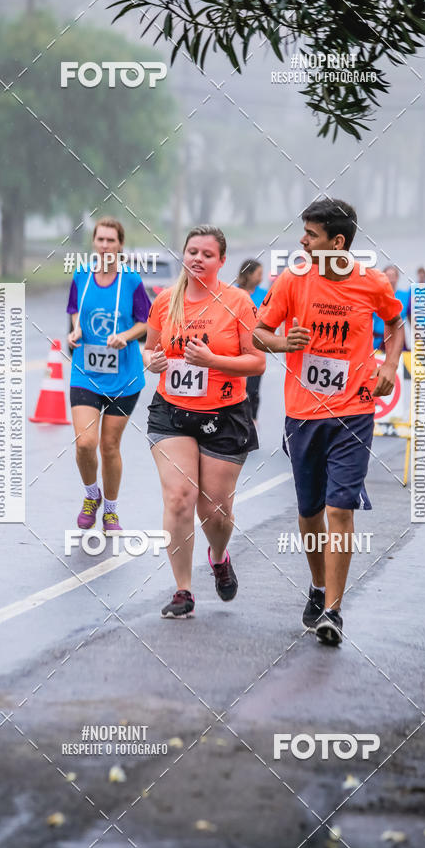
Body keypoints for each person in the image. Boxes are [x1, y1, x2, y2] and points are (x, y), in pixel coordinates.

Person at [253, 199, 404, 646]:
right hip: (303, 414)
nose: (302, 240)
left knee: (340, 508)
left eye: (311, 234)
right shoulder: (292, 280)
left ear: (337, 242)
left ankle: (334, 611)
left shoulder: (370, 282)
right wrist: (282, 342)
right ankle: (318, 587)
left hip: (354, 412)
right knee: (310, 511)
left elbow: (396, 325)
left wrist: (390, 367)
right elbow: (258, 333)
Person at [144, 225, 265, 619]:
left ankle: (218, 556)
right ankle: (183, 590)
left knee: (215, 513)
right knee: (180, 499)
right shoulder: (165, 301)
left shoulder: (238, 302)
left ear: (222, 261)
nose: (197, 258)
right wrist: (154, 362)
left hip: (225, 415)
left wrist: (213, 362)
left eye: (207, 254)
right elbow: (149, 351)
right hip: (172, 413)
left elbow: (257, 360)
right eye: (192, 251)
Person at [67, 218, 151, 534]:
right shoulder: (81, 276)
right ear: (94, 243)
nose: (105, 245)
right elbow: (75, 311)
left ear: (120, 245)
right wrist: (75, 330)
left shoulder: (131, 281)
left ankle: (111, 512)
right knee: (85, 443)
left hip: (124, 376)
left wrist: (126, 336)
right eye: (100, 239)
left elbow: (146, 322)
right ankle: (92, 496)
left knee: (109, 445)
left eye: (111, 240)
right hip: (85, 371)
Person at [237, 259, 268, 422]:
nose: (261, 277)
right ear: (248, 274)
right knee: (237, 387)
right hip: (234, 350)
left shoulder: (264, 294)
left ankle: (253, 421)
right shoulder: (233, 293)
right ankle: (237, 421)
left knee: (253, 389)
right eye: (258, 274)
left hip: (256, 348)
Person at [372, 264, 409, 350]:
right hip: (378, 341)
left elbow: (412, 319)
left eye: (393, 276)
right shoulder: (375, 296)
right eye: (388, 276)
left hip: (398, 340)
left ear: (397, 278)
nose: (391, 279)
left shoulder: (406, 296)